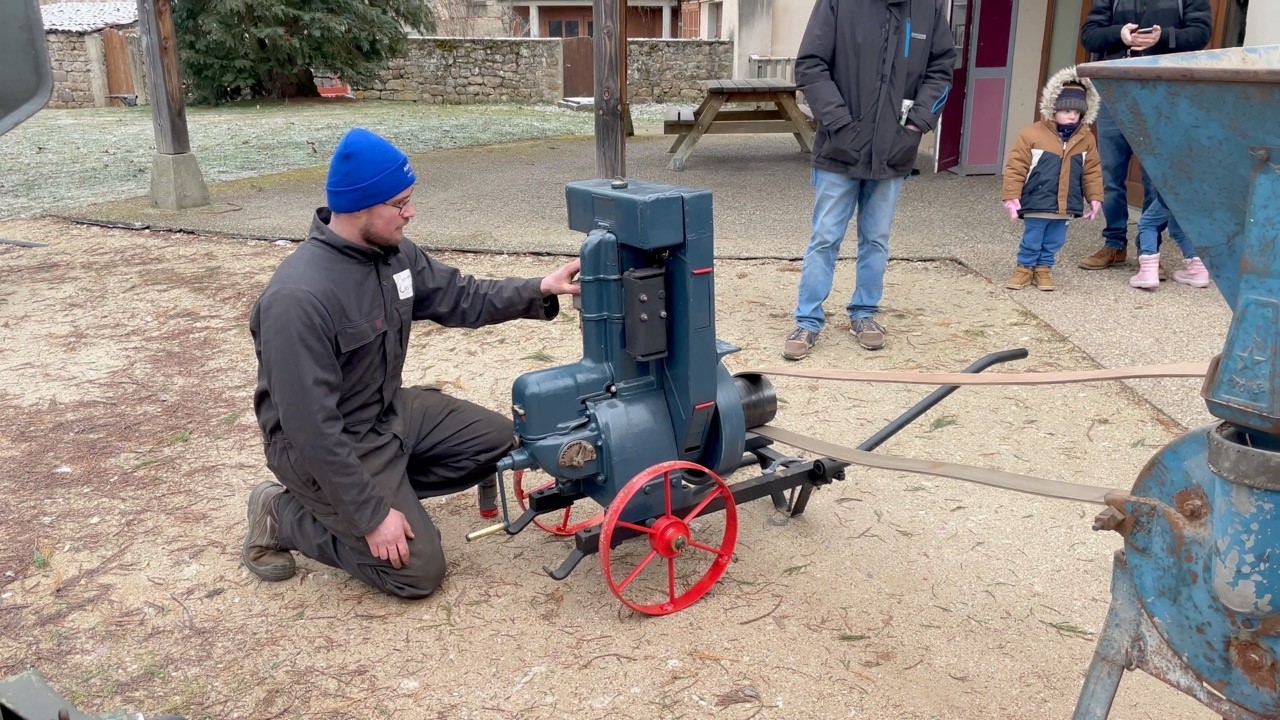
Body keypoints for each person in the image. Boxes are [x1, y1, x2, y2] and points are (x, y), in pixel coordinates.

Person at [241, 127, 581, 599]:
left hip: (386, 413)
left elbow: (461, 296)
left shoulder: (394, 254)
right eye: (400, 204)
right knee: (417, 571)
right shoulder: (297, 298)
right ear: (359, 207)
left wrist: (540, 288)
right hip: (324, 445)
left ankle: (384, 496)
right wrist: (372, 516)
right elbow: (312, 430)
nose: (411, 213)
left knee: (502, 443)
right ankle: (283, 514)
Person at [782, 0, 957, 360]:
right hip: (839, 148)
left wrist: (916, 125)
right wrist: (839, 123)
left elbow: (941, 69)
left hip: (894, 149)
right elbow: (811, 65)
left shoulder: (928, 8)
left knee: (876, 239)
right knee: (825, 238)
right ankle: (807, 320)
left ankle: (864, 313)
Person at [1077, 0, 1212, 271]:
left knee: (1154, 177)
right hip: (1115, 92)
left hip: (1163, 95)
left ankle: (1149, 252)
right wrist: (1120, 35)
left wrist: (1164, 38)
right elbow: (1089, 35)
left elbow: (1201, 33)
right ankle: (1114, 244)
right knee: (1110, 175)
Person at [1001, 68, 1103, 292]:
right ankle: (1024, 268)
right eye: (1066, 110)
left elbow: (1092, 170)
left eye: (1077, 112)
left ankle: (1043, 269)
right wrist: (1011, 195)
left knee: (1055, 239)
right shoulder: (1031, 134)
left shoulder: (1086, 139)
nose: (1072, 116)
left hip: (1066, 203)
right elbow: (1016, 167)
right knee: (1033, 237)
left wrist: (1095, 197)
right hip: (1037, 201)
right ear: (1053, 109)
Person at [1128, 191, 1210, 289]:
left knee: (1148, 223)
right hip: (1200, 193)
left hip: (1177, 190)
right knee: (1178, 229)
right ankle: (1198, 270)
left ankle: (1148, 272)